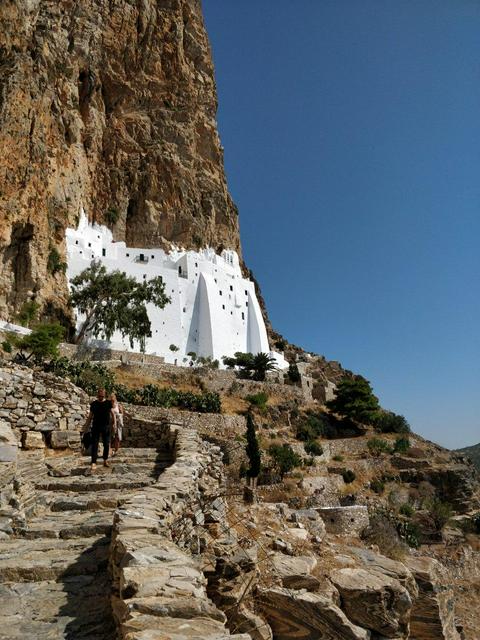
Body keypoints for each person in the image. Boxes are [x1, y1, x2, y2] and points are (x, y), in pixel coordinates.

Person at [84, 388, 112, 471]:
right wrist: (86, 427)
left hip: (106, 427)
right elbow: (90, 416)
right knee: (95, 445)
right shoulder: (94, 404)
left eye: (102, 395)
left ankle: (105, 459)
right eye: (100, 395)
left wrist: (113, 424)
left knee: (106, 444)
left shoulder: (108, 403)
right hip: (96, 426)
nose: (101, 396)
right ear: (97, 395)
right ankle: (93, 462)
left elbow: (112, 414)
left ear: (104, 394)